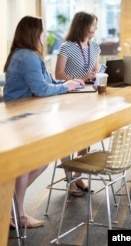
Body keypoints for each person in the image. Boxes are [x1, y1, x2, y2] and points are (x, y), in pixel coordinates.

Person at [3, 15, 84, 227]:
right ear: (33, 33)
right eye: (42, 31)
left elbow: (47, 82)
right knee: (31, 163)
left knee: (39, 162)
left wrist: (69, 83)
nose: (44, 34)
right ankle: (15, 212)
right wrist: (65, 87)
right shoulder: (27, 56)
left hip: (25, 116)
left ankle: (10, 208)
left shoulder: (25, 54)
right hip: (20, 119)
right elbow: (40, 90)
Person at [55, 11, 101, 196]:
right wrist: (82, 77)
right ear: (83, 25)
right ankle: (70, 180)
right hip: (68, 97)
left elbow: (96, 70)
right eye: (93, 25)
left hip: (88, 98)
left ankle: (78, 175)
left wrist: (96, 75)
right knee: (68, 140)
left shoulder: (95, 46)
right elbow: (58, 75)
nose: (96, 28)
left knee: (86, 138)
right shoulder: (67, 47)